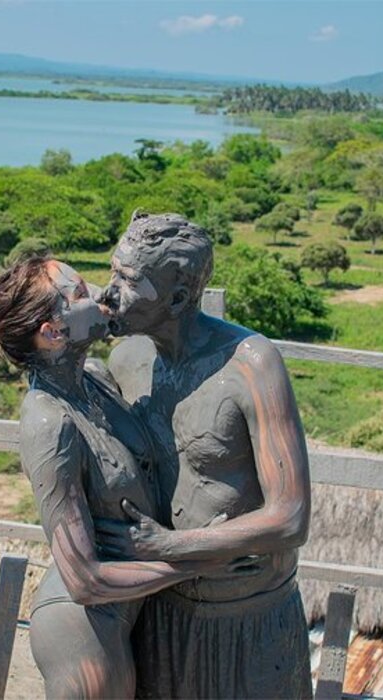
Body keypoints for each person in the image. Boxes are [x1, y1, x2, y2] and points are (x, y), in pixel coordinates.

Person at [0, 256, 235, 699]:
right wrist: (196, 564)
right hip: (84, 630)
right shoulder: (49, 423)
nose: (99, 293)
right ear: (53, 333)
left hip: (126, 612)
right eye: (79, 293)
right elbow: (84, 580)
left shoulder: (94, 378)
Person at [96, 212, 314, 699]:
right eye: (112, 272)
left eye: (128, 281)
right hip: (162, 612)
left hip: (250, 620)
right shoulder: (126, 359)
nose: (107, 293)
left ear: (176, 297)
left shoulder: (251, 363)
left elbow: (292, 517)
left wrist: (170, 546)